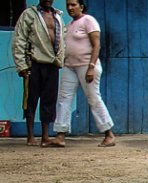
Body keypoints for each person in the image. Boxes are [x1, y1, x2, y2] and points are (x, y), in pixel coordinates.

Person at [54, 0, 115, 147]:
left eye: (73, 4)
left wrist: (91, 67)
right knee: (64, 98)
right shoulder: (68, 26)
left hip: (86, 66)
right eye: (68, 5)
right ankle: (60, 135)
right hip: (69, 66)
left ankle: (109, 134)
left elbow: (96, 45)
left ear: (81, 6)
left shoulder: (88, 20)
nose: (70, 8)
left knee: (93, 98)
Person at [12, 0, 65, 147]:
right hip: (34, 63)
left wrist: (61, 59)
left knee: (49, 100)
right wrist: (21, 64)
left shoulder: (57, 16)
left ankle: (45, 136)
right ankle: (30, 136)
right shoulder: (30, 14)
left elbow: (62, 40)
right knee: (31, 99)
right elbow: (19, 39)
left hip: (52, 64)